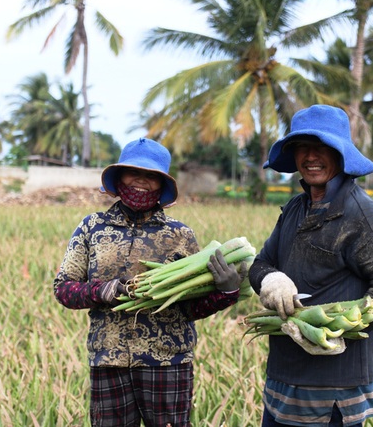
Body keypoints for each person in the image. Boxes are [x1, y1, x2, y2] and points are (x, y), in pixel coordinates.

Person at [53, 137, 246, 427]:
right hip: (109, 360)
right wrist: (105, 290)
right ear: (119, 177)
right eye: (134, 172)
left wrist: (226, 291)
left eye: (151, 176)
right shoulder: (92, 227)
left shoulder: (180, 235)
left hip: (168, 363)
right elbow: (64, 289)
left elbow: (191, 307)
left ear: (162, 184)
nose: (141, 181)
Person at [248, 105, 373, 426]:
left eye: (322, 147)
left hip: (334, 385)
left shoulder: (361, 215)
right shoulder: (295, 209)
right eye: (303, 147)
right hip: (284, 375)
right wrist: (271, 280)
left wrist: (337, 332)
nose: (311, 156)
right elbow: (261, 263)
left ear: (341, 153)